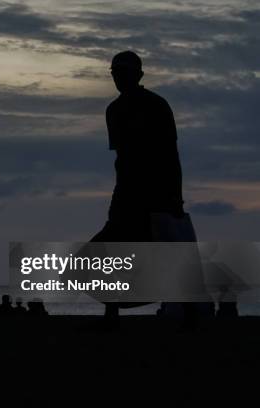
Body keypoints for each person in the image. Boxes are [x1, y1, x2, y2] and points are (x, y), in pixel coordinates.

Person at [92, 51, 187, 325]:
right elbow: (122, 159)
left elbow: (171, 154)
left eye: (124, 72)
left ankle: (187, 312)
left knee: (167, 251)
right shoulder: (114, 110)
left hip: (157, 193)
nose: (119, 78)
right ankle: (113, 312)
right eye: (115, 73)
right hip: (126, 194)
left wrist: (176, 197)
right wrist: (118, 197)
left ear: (139, 75)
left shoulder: (158, 106)